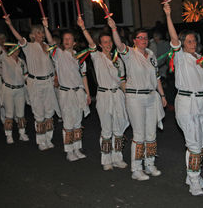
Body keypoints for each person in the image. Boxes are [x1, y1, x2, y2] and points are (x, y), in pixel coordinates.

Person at [163, 3, 203, 196]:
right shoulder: (180, 57)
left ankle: (192, 174)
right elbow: (173, 37)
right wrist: (169, 16)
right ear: (182, 43)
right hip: (187, 103)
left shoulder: (200, 58)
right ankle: (194, 181)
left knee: (200, 144)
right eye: (188, 41)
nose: (193, 44)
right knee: (194, 145)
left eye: (194, 41)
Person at [110, 17, 167, 181]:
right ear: (134, 40)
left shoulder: (151, 55)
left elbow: (157, 78)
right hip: (135, 97)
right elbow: (119, 45)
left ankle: (149, 164)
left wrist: (162, 95)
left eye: (145, 37)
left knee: (151, 133)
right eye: (140, 37)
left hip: (151, 97)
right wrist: (114, 28)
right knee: (139, 134)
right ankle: (136, 168)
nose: (143, 40)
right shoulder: (129, 53)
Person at [77, 17, 129, 170]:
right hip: (104, 95)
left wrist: (128, 97)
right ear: (100, 45)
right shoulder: (97, 56)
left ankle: (117, 157)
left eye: (109, 42)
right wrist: (83, 28)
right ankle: (106, 159)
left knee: (118, 128)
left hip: (117, 95)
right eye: (104, 42)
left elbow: (122, 81)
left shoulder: (118, 60)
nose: (108, 44)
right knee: (106, 129)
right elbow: (90, 44)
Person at [5, 16, 60, 151]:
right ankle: (41, 140)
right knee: (39, 112)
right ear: (32, 35)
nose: (41, 35)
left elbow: (52, 44)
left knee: (49, 112)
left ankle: (48, 138)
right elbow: (19, 38)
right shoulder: (28, 47)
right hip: (35, 83)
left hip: (48, 82)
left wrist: (46, 26)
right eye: (38, 32)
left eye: (42, 32)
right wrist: (10, 24)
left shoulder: (48, 46)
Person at [43, 19, 91, 161]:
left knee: (78, 122)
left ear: (74, 42)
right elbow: (51, 41)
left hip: (79, 93)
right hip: (65, 93)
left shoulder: (79, 57)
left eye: (70, 39)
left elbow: (84, 77)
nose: (67, 41)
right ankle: (69, 150)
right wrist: (46, 27)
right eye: (65, 39)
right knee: (68, 122)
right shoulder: (58, 55)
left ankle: (77, 147)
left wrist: (87, 93)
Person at [0, 31, 29, 144]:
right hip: (8, 89)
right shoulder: (5, 59)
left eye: (18, 49)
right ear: (10, 50)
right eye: (14, 49)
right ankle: (8, 135)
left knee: (20, 113)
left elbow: (26, 76)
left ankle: (22, 133)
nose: (17, 51)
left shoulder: (22, 62)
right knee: (9, 113)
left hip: (20, 90)